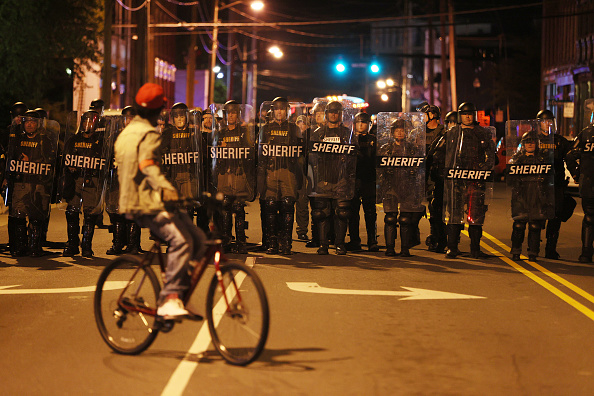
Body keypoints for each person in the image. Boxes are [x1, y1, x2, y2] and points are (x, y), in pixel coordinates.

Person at [115, 83, 206, 318]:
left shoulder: (125, 133)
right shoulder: (148, 134)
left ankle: (181, 295)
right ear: (158, 111)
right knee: (183, 241)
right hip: (145, 202)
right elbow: (147, 166)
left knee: (198, 238)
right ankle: (170, 297)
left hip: (141, 198)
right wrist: (168, 189)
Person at [441, 102, 496, 259]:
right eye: (464, 114)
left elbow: (491, 155)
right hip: (456, 180)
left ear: (474, 115)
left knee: (475, 216)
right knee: (454, 215)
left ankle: (475, 249)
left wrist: (483, 170)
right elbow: (439, 153)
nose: (467, 116)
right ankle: (452, 247)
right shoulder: (452, 133)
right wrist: (443, 171)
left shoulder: (482, 133)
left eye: (470, 114)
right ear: (460, 116)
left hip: (475, 180)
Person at [3, 110, 57, 257]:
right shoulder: (17, 140)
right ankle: (21, 247)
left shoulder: (45, 140)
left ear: (38, 124)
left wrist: (33, 162)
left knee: (37, 216)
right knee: (19, 214)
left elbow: (50, 161)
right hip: (21, 183)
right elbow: (10, 159)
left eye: (33, 122)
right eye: (27, 122)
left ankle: (34, 247)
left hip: (38, 183)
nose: (30, 125)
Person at [309, 101, 357, 255]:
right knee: (321, 213)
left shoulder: (347, 134)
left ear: (340, 114)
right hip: (323, 178)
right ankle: (323, 245)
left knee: (342, 213)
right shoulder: (318, 133)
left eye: (336, 112)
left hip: (341, 179)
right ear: (327, 114)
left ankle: (339, 244)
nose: (334, 115)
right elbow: (311, 157)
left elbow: (355, 155)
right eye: (331, 112)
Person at [258, 97, 305, 255]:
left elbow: (300, 155)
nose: (279, 111)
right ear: (273, 111)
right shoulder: (265, 129)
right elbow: (260, 155)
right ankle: (272, 243)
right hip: (270, 171)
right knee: (270, 205)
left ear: (287, 111)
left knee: (287, 205)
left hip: (288, 172)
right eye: (276, 109)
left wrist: (299, 177)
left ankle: (286, 243)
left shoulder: (294, 129)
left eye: (282, 109)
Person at [61, 110, 109, 257]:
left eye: (91, 122)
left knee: (90, 214)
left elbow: (106, 161)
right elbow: (65, 158)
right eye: (85, 122)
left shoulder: (101, 142)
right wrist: (69, 166)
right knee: (72, 212)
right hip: (75, 180)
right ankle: (72, 244)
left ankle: (87, 246)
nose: (87, 125)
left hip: (92, 181)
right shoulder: (73, 140)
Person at [211, 100, 256, 253]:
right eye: (228, 112)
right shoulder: (220, 133)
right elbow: (214, 155)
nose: (231, 115)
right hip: (224, 175)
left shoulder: (243, 132)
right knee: (225, 208)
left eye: (234, 113)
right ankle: (226, 242)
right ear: (225, 115)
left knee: (238, 208)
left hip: (238, 174)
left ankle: (241, 241)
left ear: (238, 115)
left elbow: (250, 153)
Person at [377, 118, 425, 256]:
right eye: (397, 130)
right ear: (392, 133)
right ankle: (390, 248)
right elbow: (379, 168)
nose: (399, 133)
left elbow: (420, 168)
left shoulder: (412, 149)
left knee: (405, 219)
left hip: (408, 186)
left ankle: (405, 248)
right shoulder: (386, 148)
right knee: (390, 218)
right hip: (391, 186)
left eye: (402, 130)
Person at [507, 128, 555, 261]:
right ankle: (516, 251)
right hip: (521, 194)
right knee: (519, 224)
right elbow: (509, 180)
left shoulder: (543, 159)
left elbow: (549, 178)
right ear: (523, 144)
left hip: (537, 194)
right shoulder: (517, 159)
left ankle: (533, 252)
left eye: (532, 142)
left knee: (535, 225)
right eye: (527, 142)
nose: (530, 144)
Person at [535, 110, 573, 259]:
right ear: (539, 124)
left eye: (550, 120)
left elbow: (570, 159)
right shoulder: (532, 140)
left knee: (555, 217)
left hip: (556, 184)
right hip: (537, 184)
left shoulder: (560, 141)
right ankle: (534, 247)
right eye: (545, 121)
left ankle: (550, 248)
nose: (548, 123)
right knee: (537, 216)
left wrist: (576, 173)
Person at [105, 106, 143, 255]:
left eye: (132, 118)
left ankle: (133, 245)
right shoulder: (114, 136)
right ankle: (118, 243)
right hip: (117, 179)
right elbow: (107, 156)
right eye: (127, 118)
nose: (129, 121)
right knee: (116, 212)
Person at [567, 100, 594, 262]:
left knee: (589, 217)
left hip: (588, 183)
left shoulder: (586, 133)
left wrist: (577, 174)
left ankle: (586, 253)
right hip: (588, 182)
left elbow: (570, 155)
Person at [347, 112, 378, 252]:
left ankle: (372, 241)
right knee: (353, 212)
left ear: (368, 125)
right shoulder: (349, 139)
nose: (360, 125)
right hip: (353, 179)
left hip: (369, 179)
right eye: (358, 122)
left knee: (370, 212)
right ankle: (355, 241)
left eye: (364, 122)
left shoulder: (374, 140)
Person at [419, 102, 447, 253]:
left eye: (424, 114)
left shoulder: (443, 133)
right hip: (421, 173)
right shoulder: (419, 132)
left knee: (436, 207)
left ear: (433, 115)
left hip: (437, 175)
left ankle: (439, 238)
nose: (421, 118)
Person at [295, 114, 310, 241]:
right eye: (299, 123)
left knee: (302, 203)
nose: (301, 125)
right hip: (291, 175)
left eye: (303, 123)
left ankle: (302, 230)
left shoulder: (309, 138)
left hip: (303, 175)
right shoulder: (291, 137)